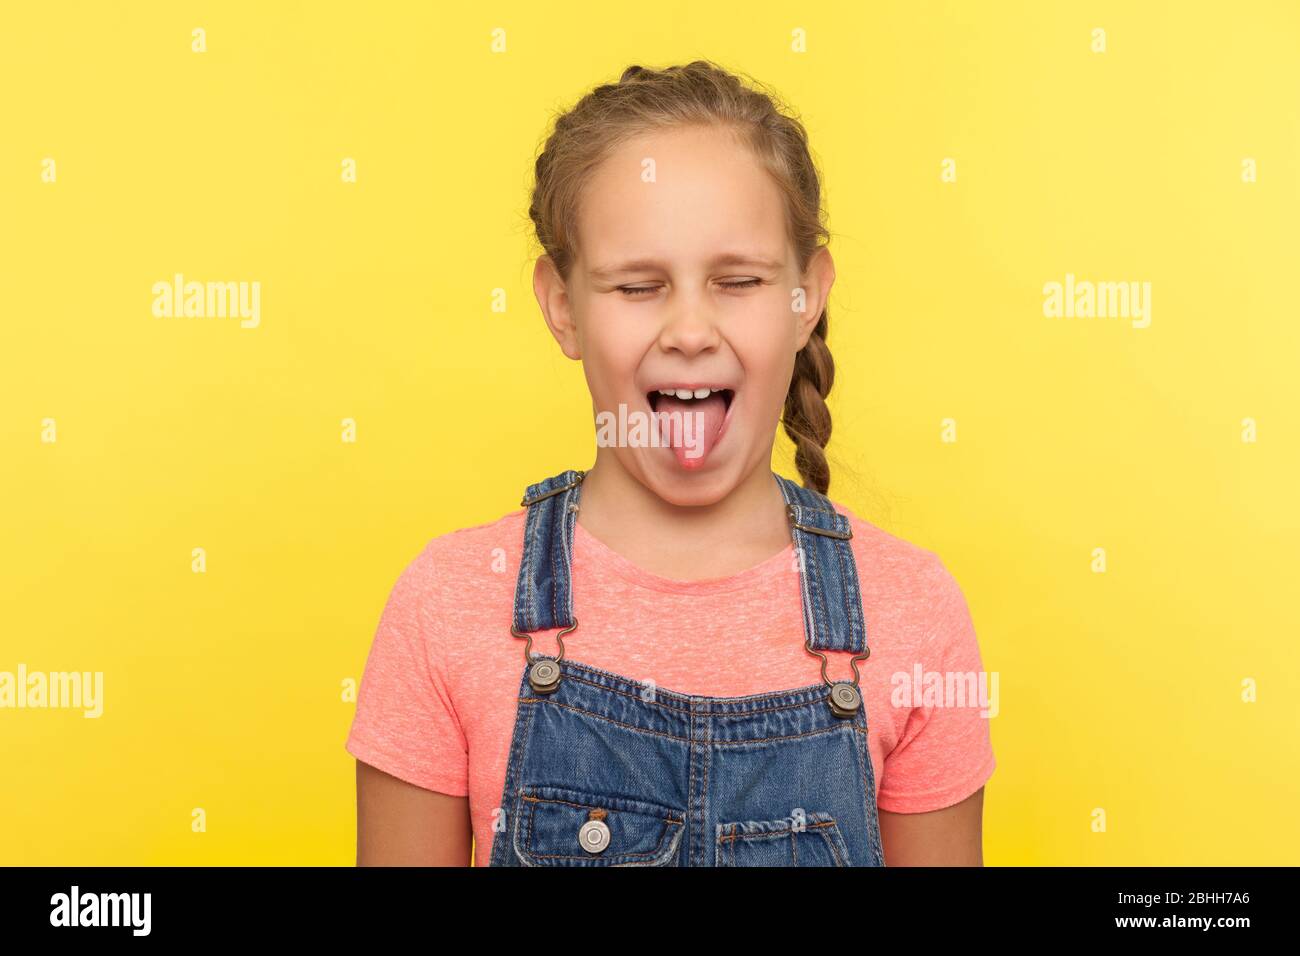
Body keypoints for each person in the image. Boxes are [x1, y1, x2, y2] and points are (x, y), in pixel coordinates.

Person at [347, 60, 994, 866]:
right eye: (637, 286)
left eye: (739, 280)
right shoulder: (445, 605)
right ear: (562, 305)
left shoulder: (915, 614)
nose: (690, 330)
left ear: (806, 298)